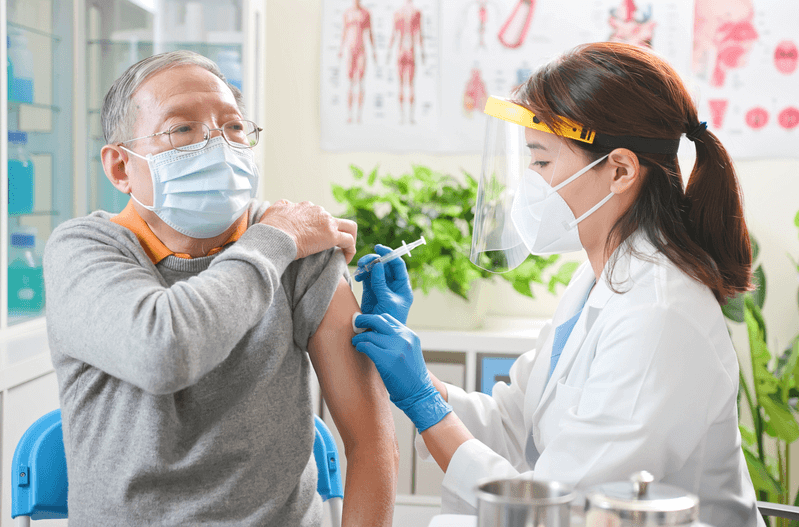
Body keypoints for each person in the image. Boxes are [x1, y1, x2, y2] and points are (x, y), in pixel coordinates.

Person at [351, 42, 765, 526]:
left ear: (620, 170)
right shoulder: (597, 279)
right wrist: (416, 376)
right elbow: (514, 421)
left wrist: (423, 403)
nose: (528, 182)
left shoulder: (660, 316)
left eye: (543, 162)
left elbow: (558, 511)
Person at [43, 50, 398, 526]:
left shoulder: (299, 253)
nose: (217, 147)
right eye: (181, 129)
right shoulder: (82, 251)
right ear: (120, 168)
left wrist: (281, 241)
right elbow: (164, 351)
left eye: (233, 127)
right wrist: (275, 241)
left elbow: (372, 441)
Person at [338, 0, 377, 124]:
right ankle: (349, 114)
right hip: (350, 50)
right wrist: (341, 49)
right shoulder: (347, 13)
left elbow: (370, 33)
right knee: (350, 82)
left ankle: (359, 115)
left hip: (361, 51)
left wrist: (374, 50)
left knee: (360, 82)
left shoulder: (366, 13)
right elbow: (344, 31)